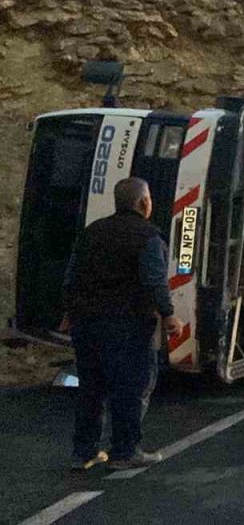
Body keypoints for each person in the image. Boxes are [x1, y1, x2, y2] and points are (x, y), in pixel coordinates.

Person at [62, 177, 183, 471]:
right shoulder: (148, 237)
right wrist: (168, 314)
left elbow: (72, 274)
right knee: (132, 387)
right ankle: (125, 451)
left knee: (92, 387)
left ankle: (84, 452)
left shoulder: (92, 232)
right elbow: (154, 280)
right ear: (144, 203)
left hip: (86, 323)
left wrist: (68, 311)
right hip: (127, 324)